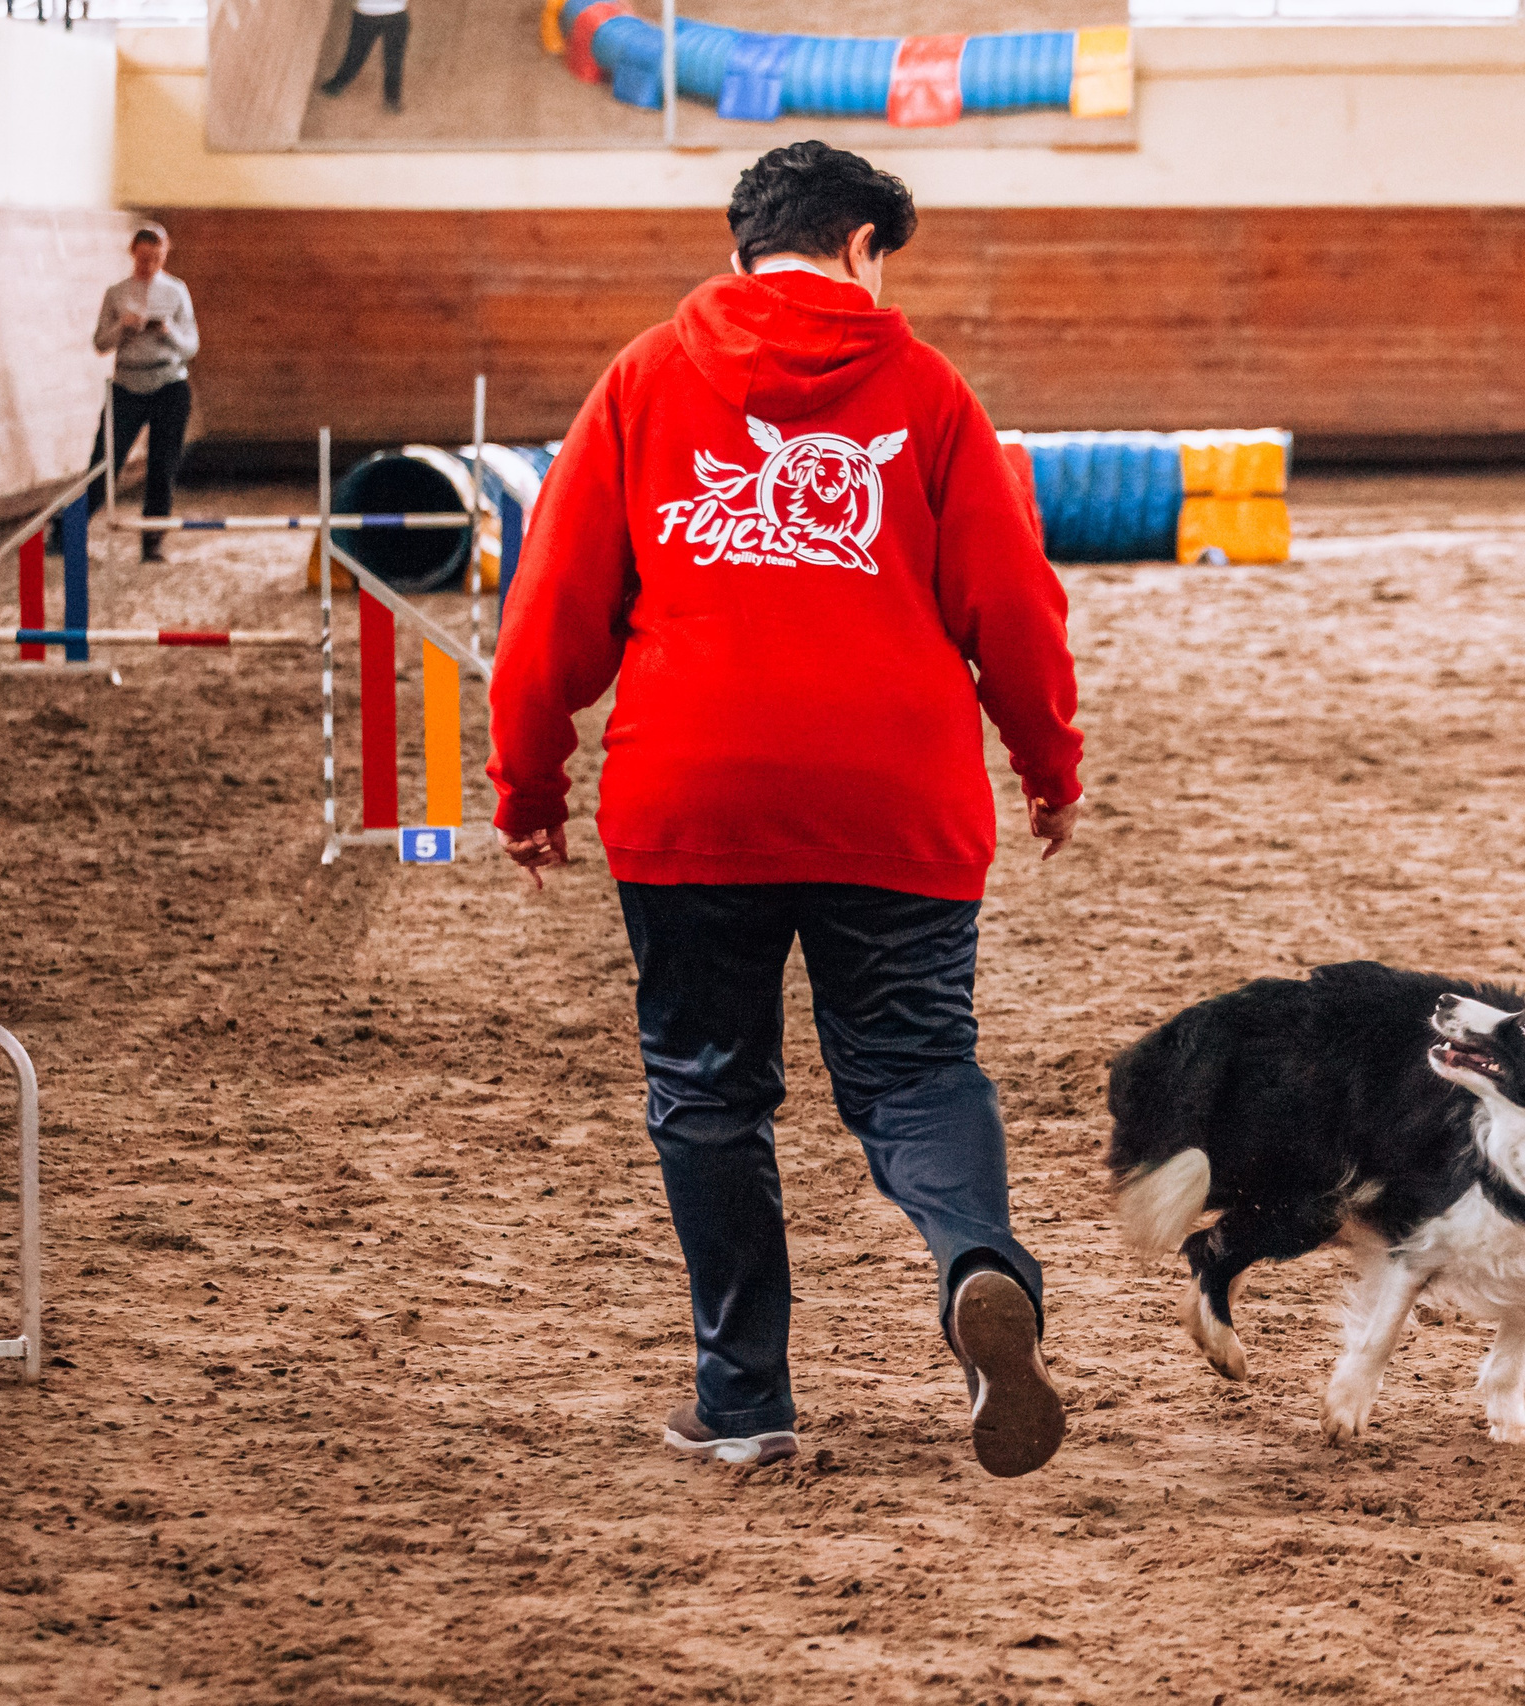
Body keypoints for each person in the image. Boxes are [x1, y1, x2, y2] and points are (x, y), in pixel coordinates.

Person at [487, 142, 1084, 1480]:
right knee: (918, 1070)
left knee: (709, 1093)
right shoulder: (929, 392)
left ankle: (745, 1399)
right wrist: (1050, 768)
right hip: (898, 800)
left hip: (691, 793)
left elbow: (550, 612)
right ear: (864, 243)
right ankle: (980, 1266)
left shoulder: (642, 378)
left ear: (749, 240)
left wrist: (528, 789)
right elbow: (1015, 607)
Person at [90, 223, 198, 565]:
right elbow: (100, 343)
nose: (148, 264)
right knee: (105, 461)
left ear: (164, 255)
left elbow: (191, 345)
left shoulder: (177, 291)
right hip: (128, 384)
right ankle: (66, 530)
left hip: (168, 382)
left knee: (162, 465)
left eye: (155, 258)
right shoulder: (116, 293)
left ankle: (152, 541)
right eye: (143, 258)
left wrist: (167, 333)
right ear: (133, 254)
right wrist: (123, 326)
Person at [317, 0, 411, 113]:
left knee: (355, 53)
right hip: (396, 14)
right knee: (394, 60)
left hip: (366, 13)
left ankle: (337, 85)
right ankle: (392, 100)